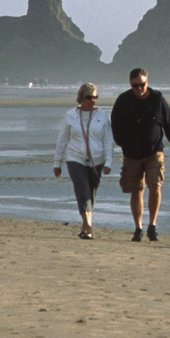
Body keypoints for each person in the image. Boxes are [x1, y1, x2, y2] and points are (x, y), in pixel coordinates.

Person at [110, 68, 170, 242]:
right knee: (136, 190)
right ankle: (138, 228)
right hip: (131, 153)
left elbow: (169, 123)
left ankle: (152, 225)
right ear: (130, 84)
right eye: (135, 86)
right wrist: (122, 143)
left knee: (155, 185)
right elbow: (115, 124)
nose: (139, 89)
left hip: (154, 151)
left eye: (142, 85)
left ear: (147, 82)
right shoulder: (123, 100)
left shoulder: (157, 99)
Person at [54, 82, 115, 239]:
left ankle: (85, 226)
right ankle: (88, 226)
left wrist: (108, 161)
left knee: (91, 193)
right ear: (81, 97)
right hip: (75, 157)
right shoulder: (70, 115)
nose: (93, 100)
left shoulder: (102, 115)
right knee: (82, 189)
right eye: (89, 97)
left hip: (97, 159)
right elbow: (62, 139)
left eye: (95, 97)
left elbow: (108, 139)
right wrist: (57, 162)